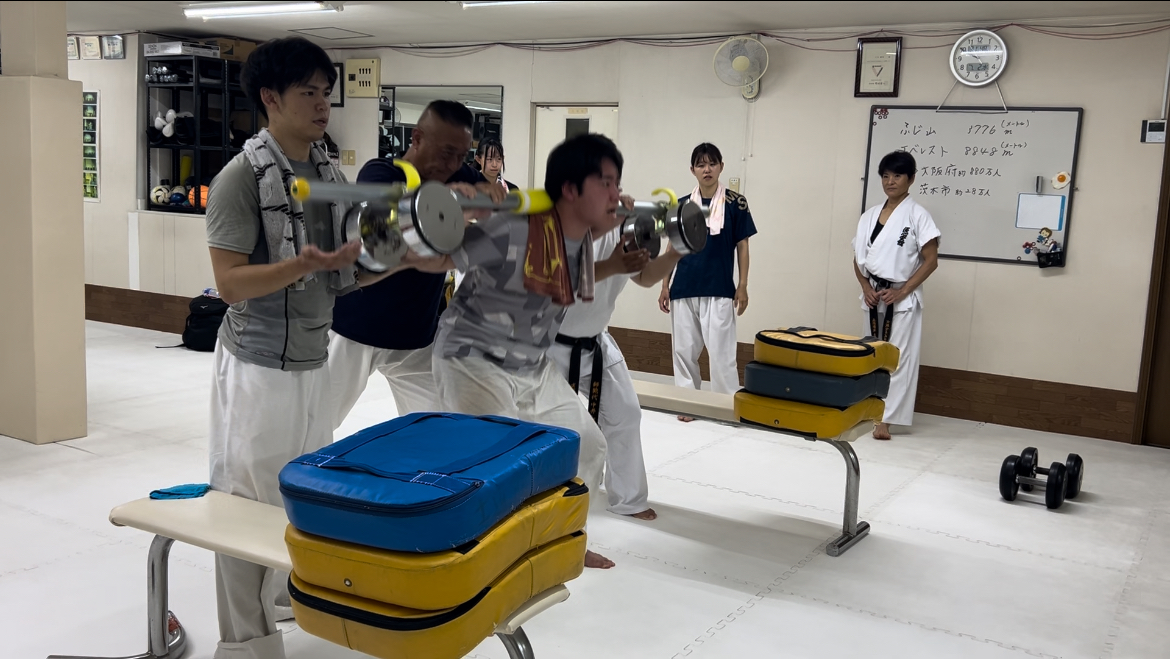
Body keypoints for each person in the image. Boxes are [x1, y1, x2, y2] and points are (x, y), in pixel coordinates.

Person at [204, 37, 449, 659]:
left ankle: (284, 593)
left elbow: (345, 276)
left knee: (300, 490)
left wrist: (407, 261)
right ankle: (245, 645)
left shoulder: (328, 176)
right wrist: (300, 265)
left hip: (313, 357)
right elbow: (230, 284)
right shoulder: (240, 179)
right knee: (245, 504)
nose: (322, 105)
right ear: (270, 98)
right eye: (308, 92)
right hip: (257, 365)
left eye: (326, 93)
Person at [430, 133, 635, 570]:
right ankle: (484, 558)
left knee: (587, 446)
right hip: (473, 359)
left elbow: (573, 279)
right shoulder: (515, 225)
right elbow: (436, 257)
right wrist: (451, 210)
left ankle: (563, 538)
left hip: (532, 365)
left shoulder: (579, 238)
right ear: (570, 190)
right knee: (496, 464)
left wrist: (619, 260)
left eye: (617, 184)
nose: (616, 195)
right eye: (605, 184)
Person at [326, 101, 505, 429]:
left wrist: (487, 193)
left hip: (414, 336)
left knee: (435, 430)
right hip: (356, 330)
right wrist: (451, 207)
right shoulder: (380, 174)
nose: (453, 164)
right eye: (446, 153)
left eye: (462, 156)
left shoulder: (455, 172)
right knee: (315, 423)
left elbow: (486, 189)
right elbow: (387, 236)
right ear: (417, 138)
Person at [550, 224, 684, 522]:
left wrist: (676, 251)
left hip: (596, 340)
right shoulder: (566, 227)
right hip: (549, 345)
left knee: (626, 413)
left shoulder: (626, 229)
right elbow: (560, 281)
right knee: (557, 427)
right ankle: (546, 501)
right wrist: (612, 264)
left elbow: (644, 277)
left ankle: (628, 499)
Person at [659, 143, 756, 421]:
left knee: (722, 354)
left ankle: (725, 405)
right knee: (683, 351)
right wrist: (664, 284)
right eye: (701, 165)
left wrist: (743, 285)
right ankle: (688, 402)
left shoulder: (736, 204)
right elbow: (671, 247)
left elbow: (743, 246)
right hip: (684, 286)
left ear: (721, 166)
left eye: (712, 163)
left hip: (719, 288)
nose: (707, 169)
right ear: (692, 170)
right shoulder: (681, 206)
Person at [852, 150, 940, 440]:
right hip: (873, 296)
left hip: (901, 300)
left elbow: (931, 260)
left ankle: (886, 419)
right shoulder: (869, 216)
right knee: (870, 355)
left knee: (897, 358)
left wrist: (903, 291)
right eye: (886, 176)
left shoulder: (918, 215)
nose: (890, 181)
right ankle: (868, 410)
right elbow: (857, 258)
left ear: (911, 179)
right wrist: (866, 287)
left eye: (897, 176)